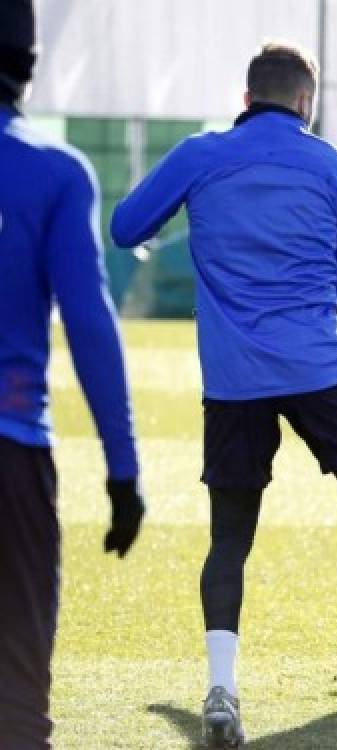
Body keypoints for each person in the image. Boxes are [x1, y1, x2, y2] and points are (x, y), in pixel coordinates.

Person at [110, 42, 337, 747]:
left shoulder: (199, 154)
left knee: (229, 541)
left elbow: (126, 229)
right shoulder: (331, 162)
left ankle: (221, 689)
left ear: (246, 99)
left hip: (234, 379)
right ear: (307, 102)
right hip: (320, 371)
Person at [0, 2, 145, 747]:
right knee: (18, 708)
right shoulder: (54, 172)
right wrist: (123, 471)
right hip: (12, 451)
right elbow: (90, 326)